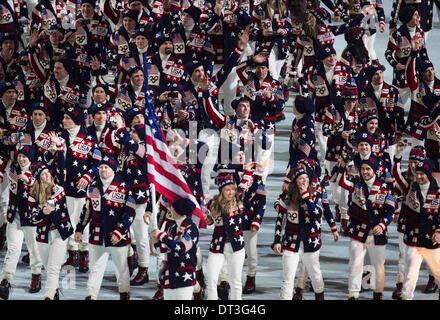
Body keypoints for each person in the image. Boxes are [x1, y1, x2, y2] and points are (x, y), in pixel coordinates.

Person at [74, 156, 136, 300]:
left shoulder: (125, 186)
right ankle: (91, 294)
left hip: (117, 237)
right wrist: (79, 228)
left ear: (113, 169)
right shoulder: (93, 186)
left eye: (106, 167)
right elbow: (87, 210)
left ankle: (124, 292)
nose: (103, 170)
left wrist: (120, 231)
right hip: (97, 235)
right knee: (95, 268)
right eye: (101, 167)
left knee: (121, 268)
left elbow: (130, 212)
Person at [273, 166, 338, 300]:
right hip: (291, 241)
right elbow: (280, 218)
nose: (304, 181)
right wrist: (277, 240)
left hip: (310, 241)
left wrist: (306, 197)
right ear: (295, 181)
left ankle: (319, 296)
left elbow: (317, 214)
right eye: (301, 178)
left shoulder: (315, 194)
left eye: (306, 178)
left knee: (315, 275)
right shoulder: (287, 196)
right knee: (288, 278)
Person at [337, 155, 395, 300]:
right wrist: (342, 165)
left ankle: (378, 293)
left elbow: (391, 210)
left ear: (374, 170)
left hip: (377, 233)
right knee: (355, 263)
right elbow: (341, 182)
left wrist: (382, 225)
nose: (365, 172)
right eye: (363, 169)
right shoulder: (356, 184)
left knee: (378, 265)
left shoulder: (384, 188)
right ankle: (353, 293)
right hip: (357, 231)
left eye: (368, 169)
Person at [0, 146, 42, 300]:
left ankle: (36, 276)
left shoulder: (38, 170)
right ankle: (6, 280)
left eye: (25, 156)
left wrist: (30, 182)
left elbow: (44, 191)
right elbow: (9, 192)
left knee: (34, 250)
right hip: (14, 216)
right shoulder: (13, 169)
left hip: (31, 218)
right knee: (12, 249)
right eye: (19, 156)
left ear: (30, 157)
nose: (21, 159)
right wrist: (6, 212)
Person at [28, 163, 73, 300]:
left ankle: (48, 296)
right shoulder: (33, 194)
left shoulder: (58, 189)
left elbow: (57, 202)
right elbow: (32, 218)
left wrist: (48, 206)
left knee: (53, 268)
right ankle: (54, 292)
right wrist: (42, 212)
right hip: (42, 235)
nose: (47, 175)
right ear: (39, 178)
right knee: (48, 268)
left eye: (48, 172)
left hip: (60, 233)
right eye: (43, 173)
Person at [400, 159, 440, 300]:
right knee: (410, 274)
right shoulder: (412, 189)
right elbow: (405, 209)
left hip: (432, 241)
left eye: (422, 174)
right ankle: (406, 297)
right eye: (417, 173)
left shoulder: (438, 192)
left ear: (429, 174)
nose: (419, 177)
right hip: (414, 239)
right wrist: (402, 225)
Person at [151, 198, 199, 300]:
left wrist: (161, 235)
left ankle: (199, 289)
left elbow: (181, 248)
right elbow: (163, 250)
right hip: (170, 274)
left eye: (173, 208)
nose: (170, 209)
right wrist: (156, 243)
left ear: (179, 211)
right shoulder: (172, 226)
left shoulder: (191, 229)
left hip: (184, 276)